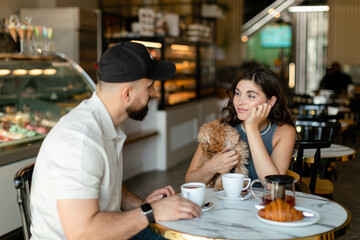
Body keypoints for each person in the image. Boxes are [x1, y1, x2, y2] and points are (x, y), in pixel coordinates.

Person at [30, 42, 201, 240]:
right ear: (127, 94)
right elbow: (81, 233)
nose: (153, 93)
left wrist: (144, 206)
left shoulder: (105, 124)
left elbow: (110, 188)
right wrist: (151, 212)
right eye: (150, 86)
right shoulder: (80, 141)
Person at [185, 67, 296, 185]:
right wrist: (211, 167)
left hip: (263, 203)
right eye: (238, 93)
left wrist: (252, 128)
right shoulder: (217, 128)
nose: (240, 101)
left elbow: (272, 186)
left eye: (251, 96)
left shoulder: (284, 132)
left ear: (271, 102)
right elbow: (189, 181)